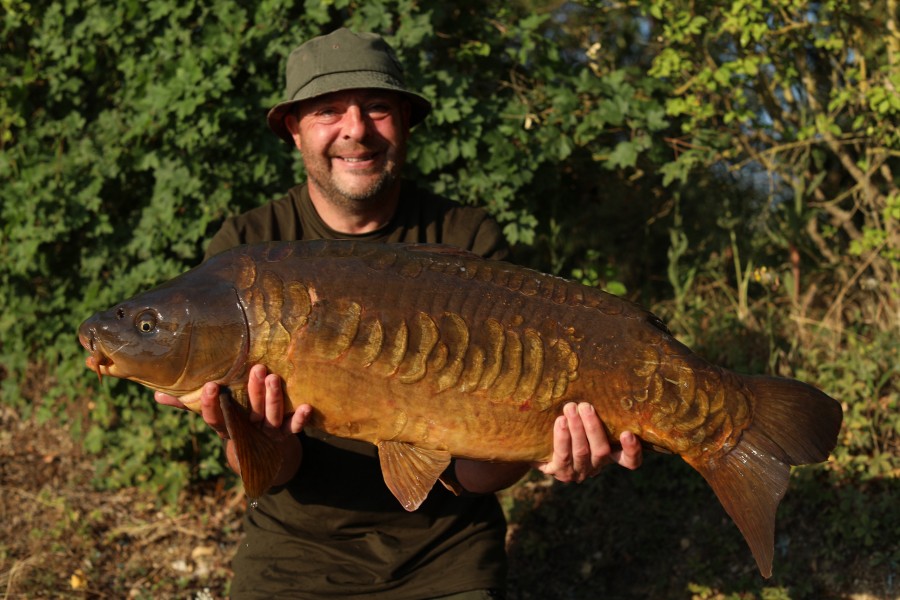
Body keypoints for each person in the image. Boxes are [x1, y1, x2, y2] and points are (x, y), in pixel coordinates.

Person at [156, 28, 642, 599]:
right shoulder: (247, 249)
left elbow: (472, 474)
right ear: (293, 129)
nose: (356, 129)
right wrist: (250, 432)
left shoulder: (464, 237)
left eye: (378, 108)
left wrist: (541, 445)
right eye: (328, 111)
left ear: (406, 122)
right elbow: (274, 472)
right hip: (293, 556)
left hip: (446, 554)